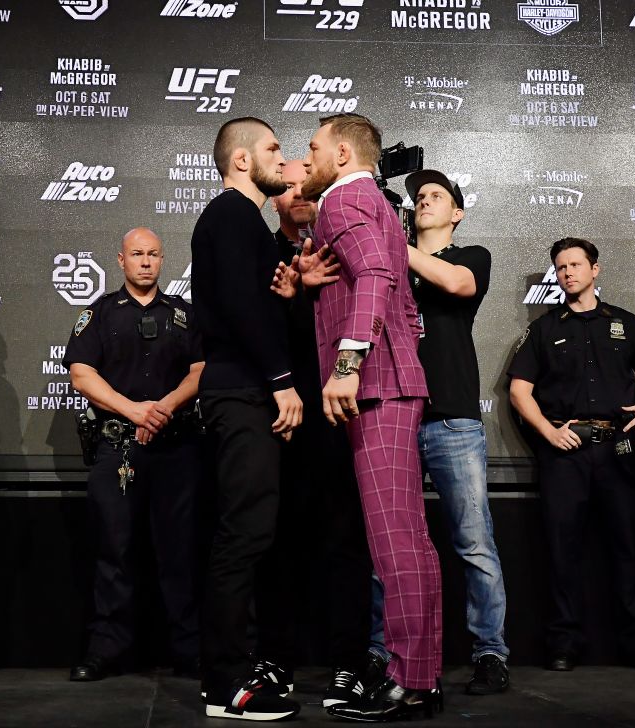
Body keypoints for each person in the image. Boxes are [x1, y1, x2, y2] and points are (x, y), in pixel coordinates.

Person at [298, 113, 443, 722]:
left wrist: (351, 363)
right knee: (407, 541)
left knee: (395, 545)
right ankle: (420, 677)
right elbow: (406, 307)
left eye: (313, 148)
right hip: (393, 384)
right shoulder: (377, 203)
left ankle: (411, 682)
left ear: (343, 151)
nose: (306, 160)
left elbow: (380, 278)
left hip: (378, 390)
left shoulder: (342, 200)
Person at [363, 169, 510, 695]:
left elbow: (455, 284)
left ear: (457, 213)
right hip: (394, 414)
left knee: (474, 542)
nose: (423, 200)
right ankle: (384, 652)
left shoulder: (471, 255)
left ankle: (490, 652)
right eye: (418, 195)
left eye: (436, 196)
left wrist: (390, 241)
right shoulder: (388, 262)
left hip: (452, 418)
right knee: (390, 545)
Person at [507, 237, 635, 672]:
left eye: (575, 265)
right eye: (560, 268)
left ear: (595, 270)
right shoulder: (543, 329)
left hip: (620, 449)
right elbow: (519, 391)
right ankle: (563, 645)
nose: (568, 273)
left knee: (629, 548)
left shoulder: (627, 324)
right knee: (562, 551)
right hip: (566, 452)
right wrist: (547, 431)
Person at [190, 117, 303, 721]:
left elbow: (255, 300)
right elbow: (238, 307)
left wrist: (288, 289)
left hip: (243, 390)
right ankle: (226, 684)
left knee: (252, 532)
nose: (283, 160)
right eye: (273, 149)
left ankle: (232, 672)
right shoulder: (231, 215)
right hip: (240, 392)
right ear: (240, 160)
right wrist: (282, 381)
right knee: (243, 534)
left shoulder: (247, 222)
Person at [62, 227, 204, 682]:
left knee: (180, 552)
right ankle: (107, 650)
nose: (145, 262)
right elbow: (82, 375)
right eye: (137, 254)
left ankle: (189, 650)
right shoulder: (99, 313)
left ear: (163, 260)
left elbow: (202, 370)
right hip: (117, 448)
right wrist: (135, 411)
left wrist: (163, 408)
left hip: (176, 448)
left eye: (153, 255)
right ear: (120, 260)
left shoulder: (184, 314)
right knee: (114, 552)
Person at [258, 160, 373, 708]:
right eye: (288, 187)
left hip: (340, 418)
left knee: (345, 544)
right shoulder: (263, 256)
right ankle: (275, 661)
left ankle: (348, 665)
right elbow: (250, 338)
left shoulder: (346, 246)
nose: (298, 193)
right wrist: (292, 295)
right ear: (275, 198)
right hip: (281, 422)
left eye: (307, 184)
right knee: (278, 545)